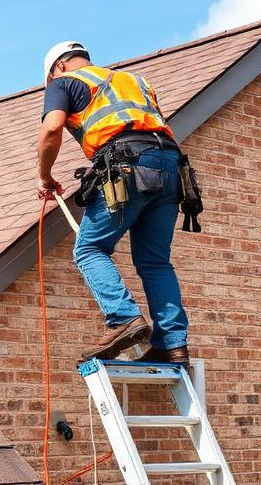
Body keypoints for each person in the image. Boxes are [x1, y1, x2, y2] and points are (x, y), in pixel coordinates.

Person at [37, 41, 189, 366]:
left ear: (58, 67)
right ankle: (172, 345)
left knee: (89, 249)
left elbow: (52, 128)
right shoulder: (135, 81)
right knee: (156, 263)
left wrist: (44, 176)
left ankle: (122, 317)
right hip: (171, 166)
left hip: (126, 163)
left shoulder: (63, 83)